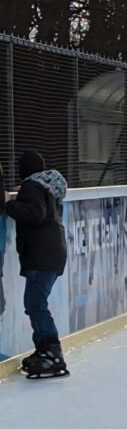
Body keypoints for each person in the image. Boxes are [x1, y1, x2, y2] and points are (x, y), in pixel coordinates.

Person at [2, 150, 69, 377]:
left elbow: (36, 213)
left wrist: (8, 205)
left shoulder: (32, 187)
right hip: (52, 254)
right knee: (35, 302)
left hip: (42, 255)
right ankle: (43, 349)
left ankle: (53, 354)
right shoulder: (46, 188)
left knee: (35, 303)